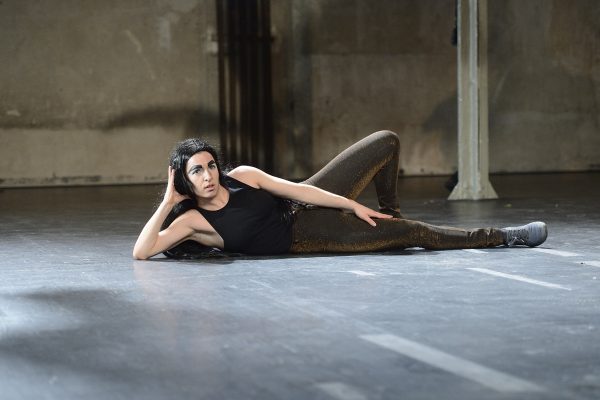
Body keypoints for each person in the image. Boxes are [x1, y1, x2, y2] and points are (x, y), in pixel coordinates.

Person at [133, 130, 548, 260]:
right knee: (416, 233)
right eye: (196, 171)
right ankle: (503, 236)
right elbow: (142, 252)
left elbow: (299, 190)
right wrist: (168, 201)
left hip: (305, 204)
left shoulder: (242, 176)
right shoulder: (193, 221)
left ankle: (390, 218)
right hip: (306, 237)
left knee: (386, 142)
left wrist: (352, 204)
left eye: (210, 165)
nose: (208, 176)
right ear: (184, 180)